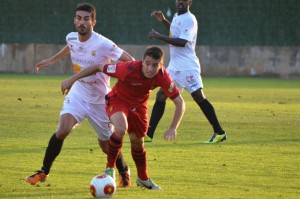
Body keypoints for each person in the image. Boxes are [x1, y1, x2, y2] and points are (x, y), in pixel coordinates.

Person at [26, 2, 135, 187]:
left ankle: (124, 170)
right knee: (62, 130)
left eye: (86, 19)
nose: (82, 22)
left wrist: (126, 82)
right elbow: (70, 46)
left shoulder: (103, 43)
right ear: (74, 20)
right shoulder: (71, 37)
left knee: (106, 145)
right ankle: (44, 171)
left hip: (100, 99)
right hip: (78, 93)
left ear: (94, 21)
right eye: (78, 18)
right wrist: (51, 60)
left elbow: (130, 61)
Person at [61, 46, 185, 190]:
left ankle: (143, 179)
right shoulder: (128, 68)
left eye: (155, 65)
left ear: (161, 65)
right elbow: (98, 67)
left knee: (137, 142)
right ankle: (109, 169)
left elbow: (180, 103)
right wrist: (72, 79)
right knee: (120, 128)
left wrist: (173, 127)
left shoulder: (163, 76)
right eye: (147, 63)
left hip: (139, 107)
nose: (150, 68)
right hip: (117, 100)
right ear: (142, 61)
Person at [147, 0, 226, 143]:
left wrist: (158, 36)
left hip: (188, 66)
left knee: (199, 97)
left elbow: (182, 42)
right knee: (161, 95)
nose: (179, 2)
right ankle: (149, 134)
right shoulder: (177, 17)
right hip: (174, 66)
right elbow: (175, 33)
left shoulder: (190, 19)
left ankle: (219, 132)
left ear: (190, 1)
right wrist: (164, 21)